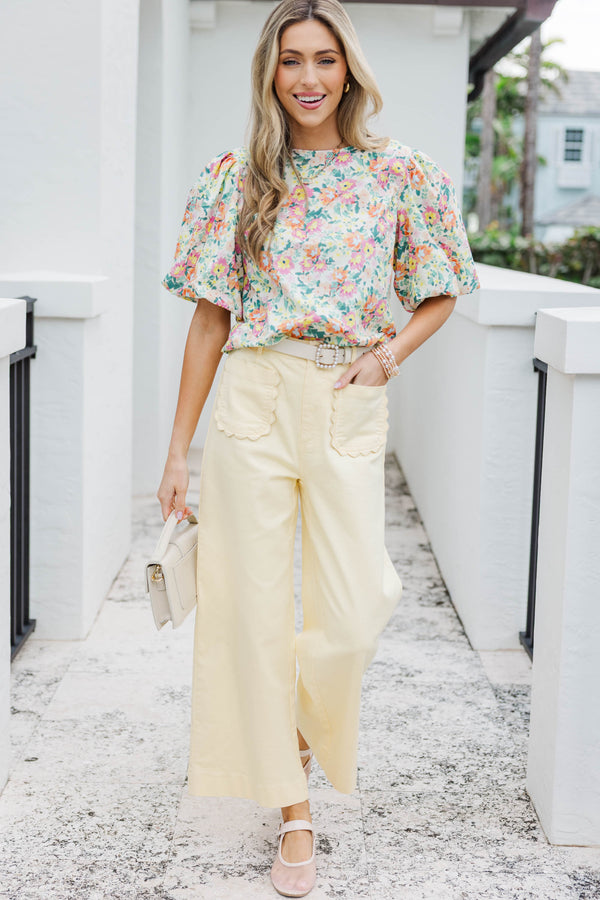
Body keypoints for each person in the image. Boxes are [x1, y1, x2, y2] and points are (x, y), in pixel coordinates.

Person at [157, 0, 480, 894]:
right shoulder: (238, 177)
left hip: (345, 393)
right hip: (252, 399)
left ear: (349, 71)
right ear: (270, 73)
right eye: (291, 61)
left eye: (324, 60)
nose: (307, 79)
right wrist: (177, 451)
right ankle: (293, 811)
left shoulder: (398, 173)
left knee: (354, 604)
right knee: (248, 610)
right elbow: (209, 320)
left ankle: (291, 727)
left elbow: (442, 287)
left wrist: (386, 358)